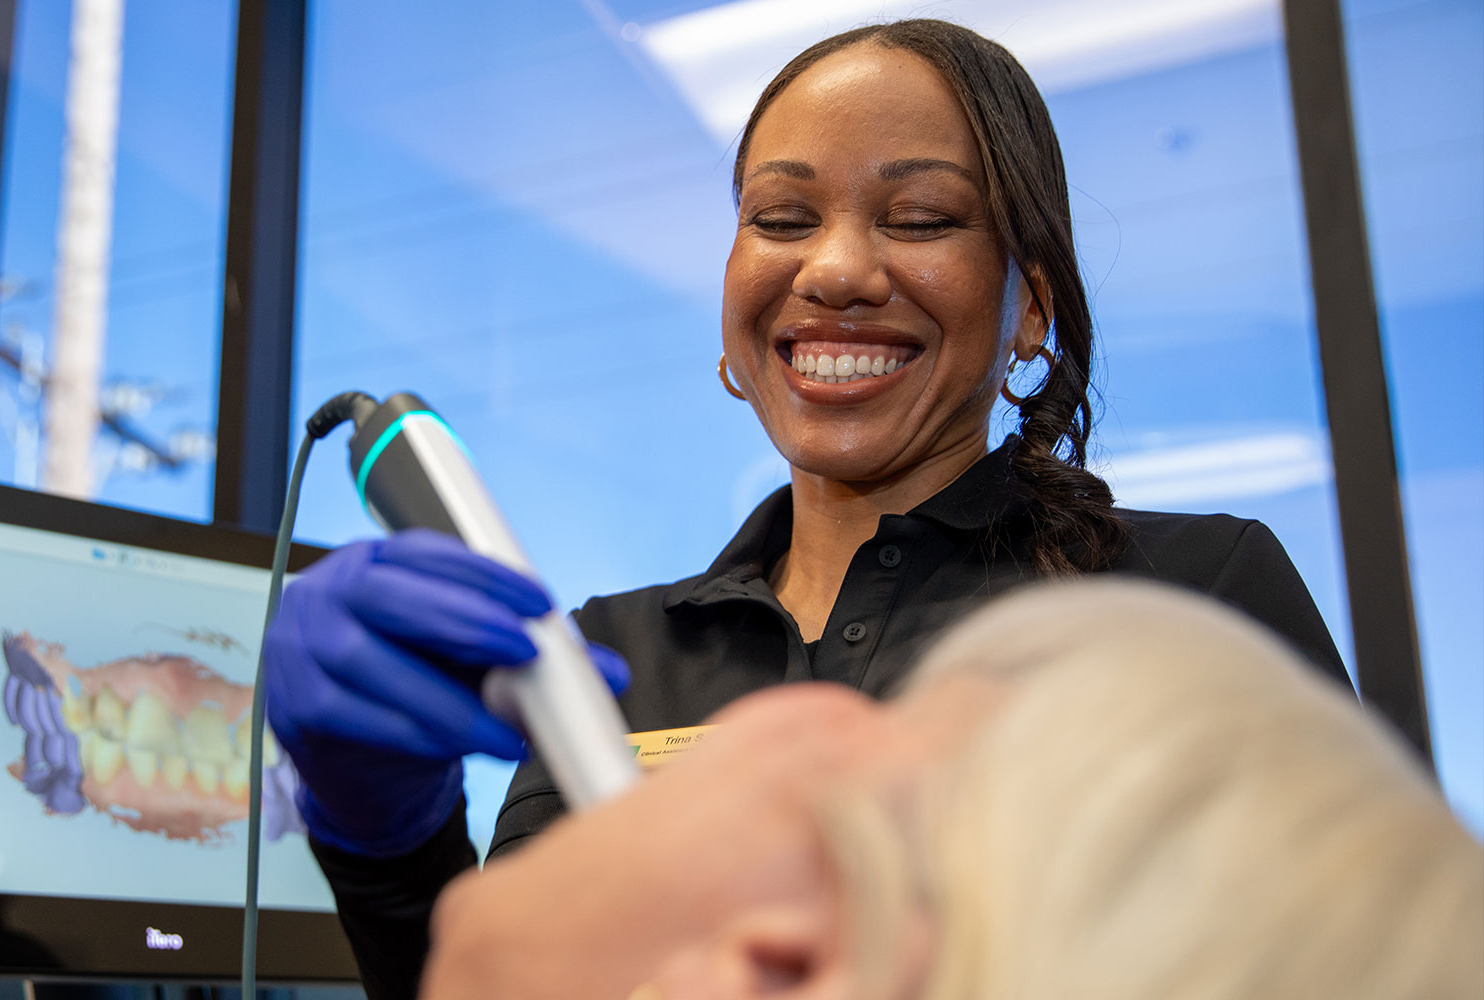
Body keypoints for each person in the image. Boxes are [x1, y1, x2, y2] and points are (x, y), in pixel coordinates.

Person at [261, 19, 1356, 997]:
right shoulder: (607, 656)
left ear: (1031, 306)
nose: (833, 269)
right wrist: (382, 831)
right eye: (780, 217)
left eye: (921, 217)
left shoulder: (1190, 601)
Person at [417, 581, 1482, 1000]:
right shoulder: (625, 633)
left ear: (773, 963)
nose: (816, 705)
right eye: (780, 216)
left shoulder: (1202, 577)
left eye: (850, 783)